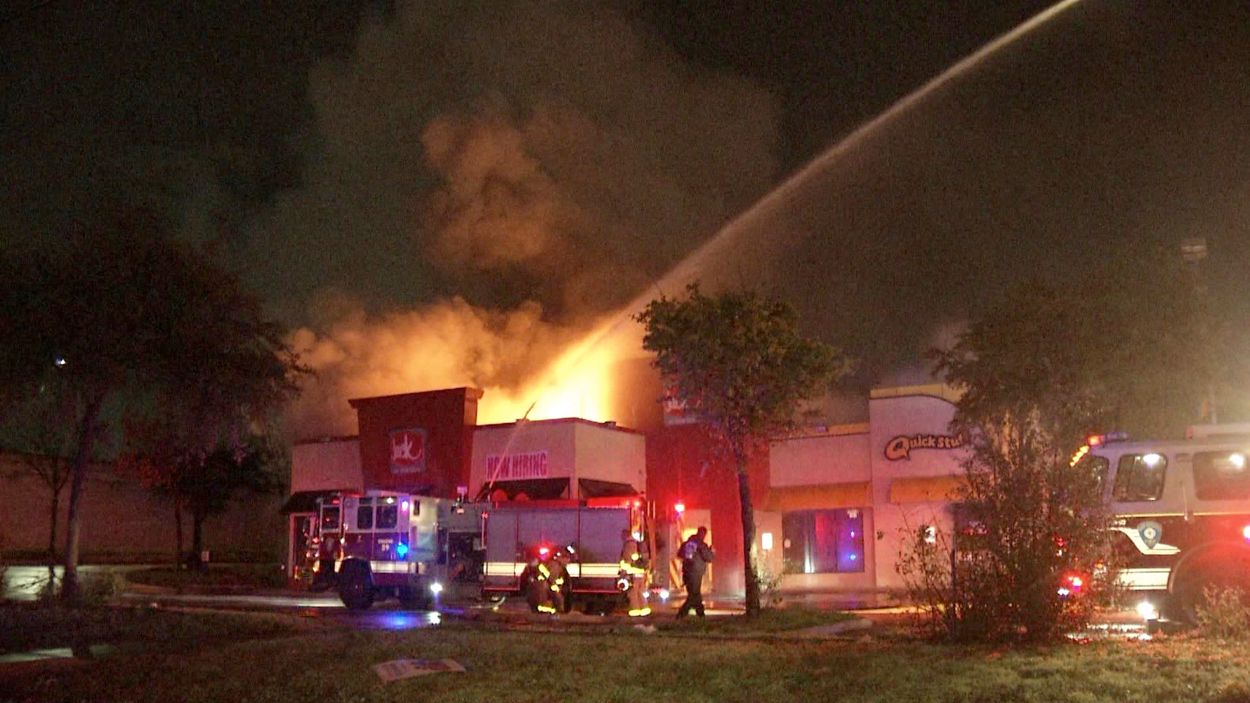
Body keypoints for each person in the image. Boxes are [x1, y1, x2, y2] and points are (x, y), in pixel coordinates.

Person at [676, 526, 714, 619]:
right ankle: (682, 614)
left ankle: (700, 614)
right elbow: (709, 558)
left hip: (686, 572)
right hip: (696, 573)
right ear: (703, 534)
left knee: (694, 593)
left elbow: (680, 554)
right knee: (694, 594)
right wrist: (711, 551)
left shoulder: (687, 543)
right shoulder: (701, 545)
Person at [618, 529, 650, 616]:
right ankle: (644, 609)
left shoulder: (629, 544)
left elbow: (627, 558)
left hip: (633, 572)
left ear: (625, 535)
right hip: (640, 573)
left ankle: (635, 610)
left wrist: (623, 568)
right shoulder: (637, 543)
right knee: (640, 592)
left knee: (632, 592)